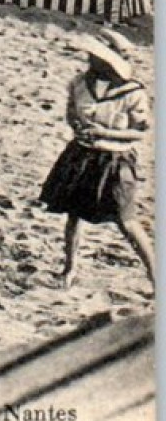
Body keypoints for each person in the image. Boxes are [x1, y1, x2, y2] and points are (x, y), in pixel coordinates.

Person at [39, 28, 154, 290]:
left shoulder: (132, 93)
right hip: (82, 154)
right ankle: (69, 268)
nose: (90, 60)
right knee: (74, 213)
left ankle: (156, 275)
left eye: (97, 57)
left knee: (125, 220)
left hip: (115, 160)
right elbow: (71, 113)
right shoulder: (80, 83)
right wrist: (77, 125)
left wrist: (104, 132)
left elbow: (138, 132)